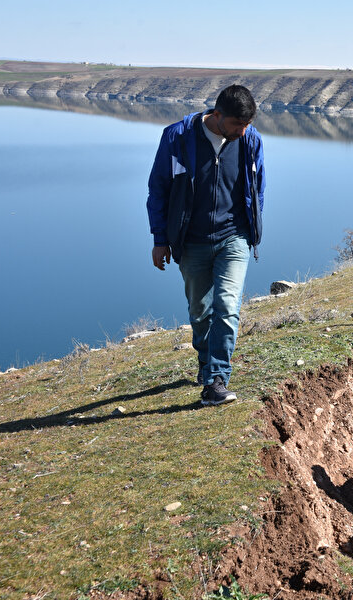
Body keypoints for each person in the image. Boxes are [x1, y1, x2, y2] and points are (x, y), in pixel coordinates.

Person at [146, 85, 266, 405]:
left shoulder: (250, 141)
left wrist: (253, 229)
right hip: (192, 241)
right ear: (216, 116)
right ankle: (206, 363)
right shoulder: (177, 138)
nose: (243, 131)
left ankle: (216, 378)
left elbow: (257, 190)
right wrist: (160, 240)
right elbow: (158, 189)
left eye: (247, 124)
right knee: (200, 313)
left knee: (227, 306)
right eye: (237, 125)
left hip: (234, 237)